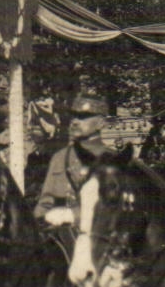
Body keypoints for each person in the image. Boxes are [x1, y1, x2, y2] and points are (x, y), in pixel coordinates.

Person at [33, 93, 115, 224]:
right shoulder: (60, 157)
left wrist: (73, 215)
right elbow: (45, 203)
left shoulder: (112, 159)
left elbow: (112, 208)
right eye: (74, 116)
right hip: (58, 234)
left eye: (83, 117)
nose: (75, 121)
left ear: (101, 123)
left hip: (95, 235)